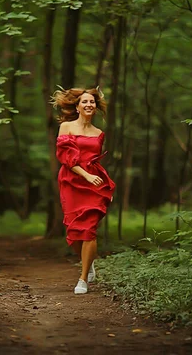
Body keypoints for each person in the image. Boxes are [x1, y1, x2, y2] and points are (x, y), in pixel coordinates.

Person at [50, 87, 116, 294]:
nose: (89, 105)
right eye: (84, 102)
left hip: (94, 185)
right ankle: (89, 261)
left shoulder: (99, 134)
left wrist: (103, 184)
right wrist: (85, 175)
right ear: (77, 107)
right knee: (75, 230)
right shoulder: (66, 127)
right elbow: (66, 158)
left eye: (92, 102)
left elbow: (95, 162)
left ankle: (83, 279)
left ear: (96, 107)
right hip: (72, 181)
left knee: (89, 230)